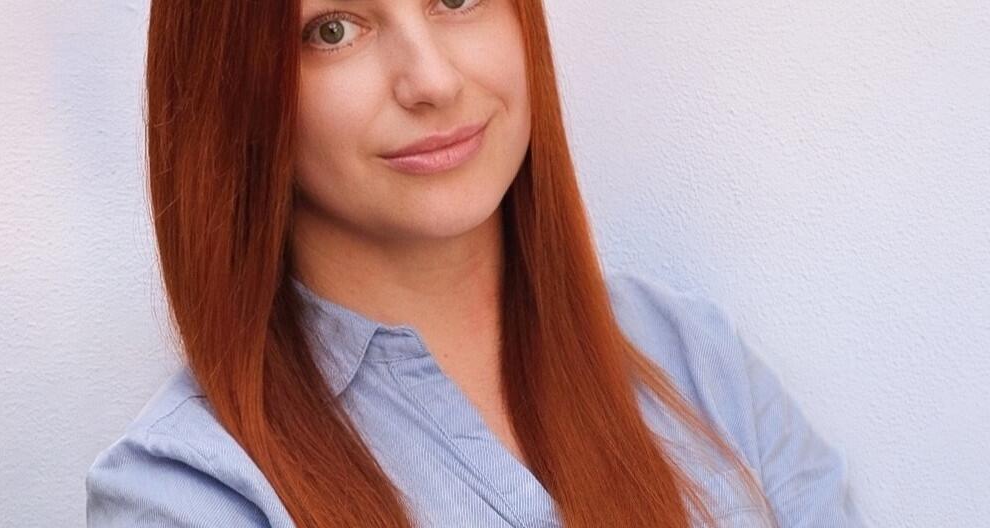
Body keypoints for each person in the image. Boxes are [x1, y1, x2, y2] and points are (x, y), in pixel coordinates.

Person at [86, 1, 866, 526]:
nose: (432, 80)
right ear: (233, 93)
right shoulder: (187, 492)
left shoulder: (692, 356)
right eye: (332, 30)